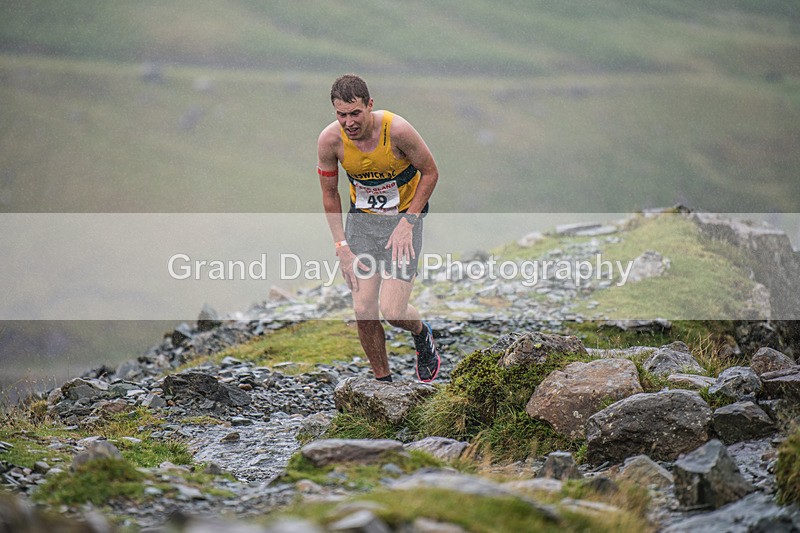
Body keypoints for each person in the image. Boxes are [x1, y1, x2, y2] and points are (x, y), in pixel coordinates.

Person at [316, 74, 440, 383]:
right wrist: (341, 247)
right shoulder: (330, 141)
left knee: (393, 311)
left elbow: (431, 172)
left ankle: (422, 334)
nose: (349, 122)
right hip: (362, 223)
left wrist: (408, 222)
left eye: (355, 113)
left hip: (403, 223)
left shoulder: (396, 130)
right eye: (341, 114)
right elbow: (330, 194)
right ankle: (382, 382)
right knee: (364, 309)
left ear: (370, 105)